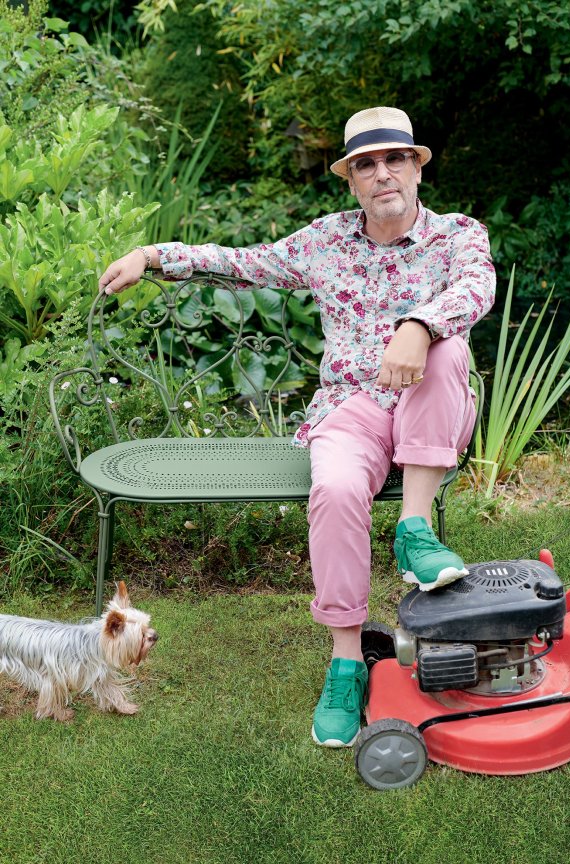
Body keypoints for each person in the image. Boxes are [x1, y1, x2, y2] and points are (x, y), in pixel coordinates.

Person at [99, 106, 496, 749]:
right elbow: (240, 262)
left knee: (448, 347)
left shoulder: (459, 235)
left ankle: (413, 530)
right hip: (353, 410)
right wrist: (150, 254)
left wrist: (418, 326)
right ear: (351, 181)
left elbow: (478, 288)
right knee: (335, 491)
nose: (382, 174)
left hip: (430, 404)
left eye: (395, 159)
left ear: (416, 167)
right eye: (366, 164)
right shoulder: (326, 242)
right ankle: (345, 662)